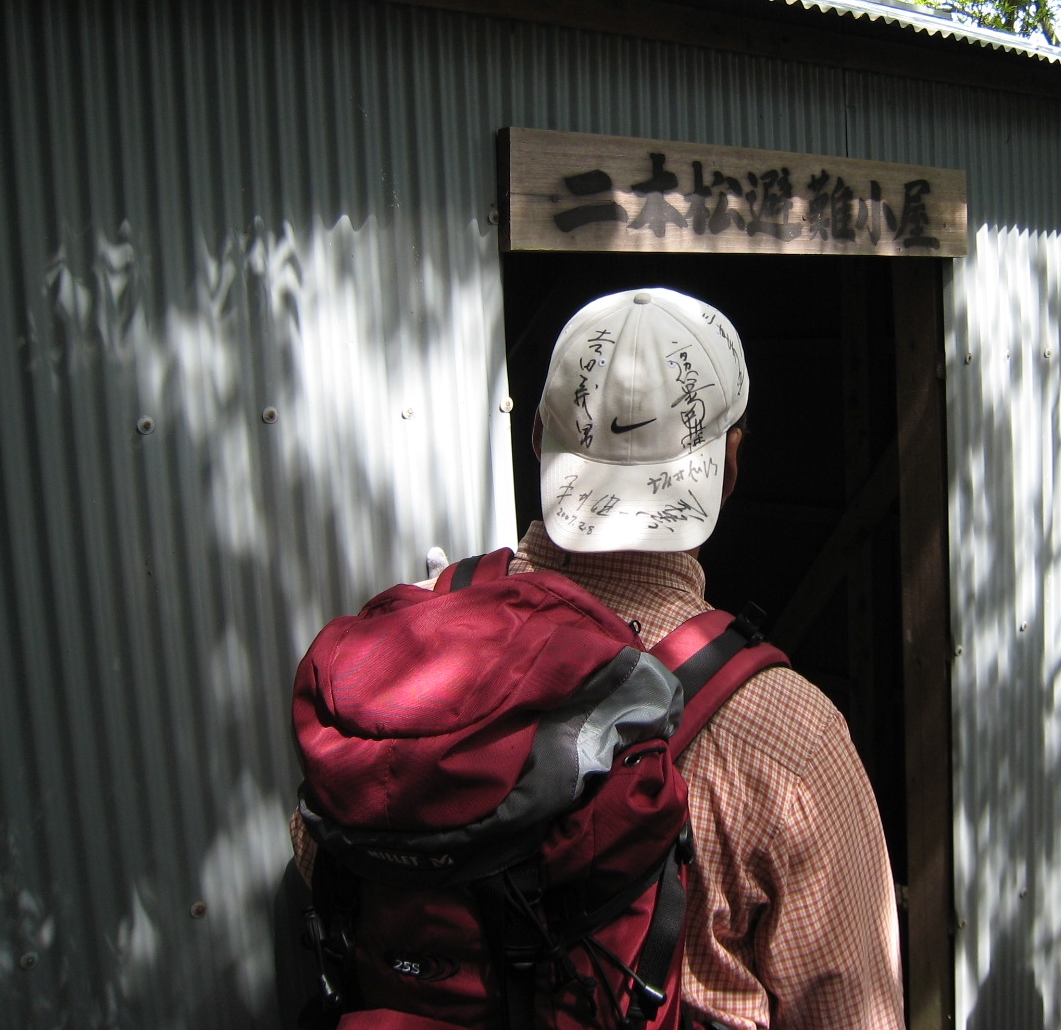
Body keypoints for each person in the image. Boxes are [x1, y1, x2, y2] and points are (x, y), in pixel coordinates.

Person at [294, 287, 905, 1030]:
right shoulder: (788, 735)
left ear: (538, 441)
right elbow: (854, 1011)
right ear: (730, 467)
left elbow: (320, 861)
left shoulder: (396, 654)